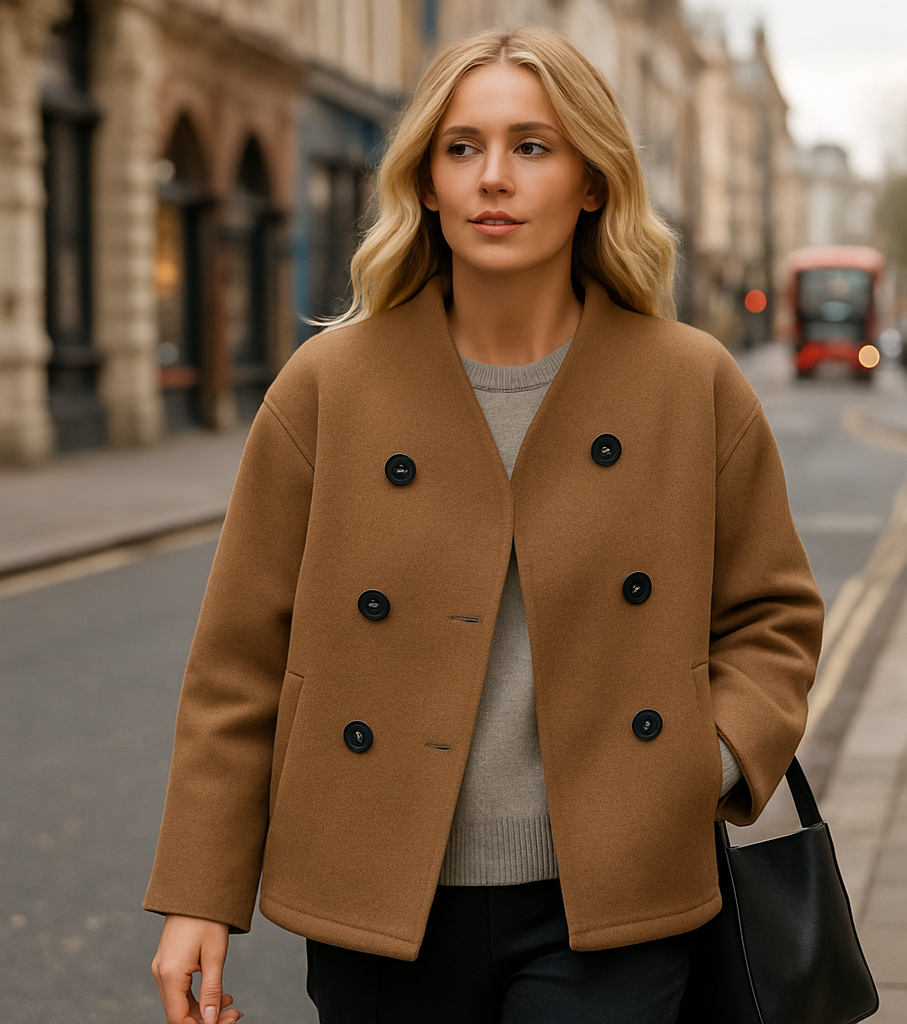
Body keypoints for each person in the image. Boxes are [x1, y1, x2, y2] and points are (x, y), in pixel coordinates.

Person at [146, 26, 824, 1024]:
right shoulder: (329, 386)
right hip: (377, 897)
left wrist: (700, 763)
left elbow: (772, 615)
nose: (491, 178)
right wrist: (199, 893)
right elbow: (238, 662)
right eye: (461, 148)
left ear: (593, 180)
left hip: (614, 898)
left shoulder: (690, 383)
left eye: (532, 147)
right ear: (424, 181)